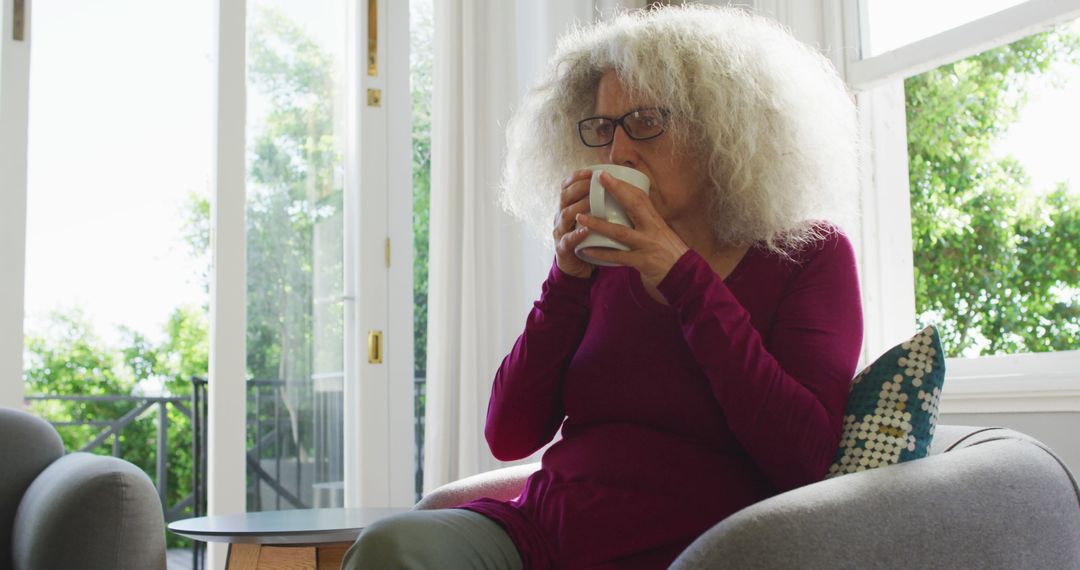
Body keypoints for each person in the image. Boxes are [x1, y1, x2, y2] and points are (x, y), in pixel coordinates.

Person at [344, 4, 863, 569]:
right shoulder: (601, 265)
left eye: (644, 121)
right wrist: (565, 280)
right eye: (604, 128)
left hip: (700, 552)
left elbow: (804, 458)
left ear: (719, 127)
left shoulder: (809, 255)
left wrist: (683, 276)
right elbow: (509, 434)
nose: (618, 153)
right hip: (538, 537)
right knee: (390, 545)